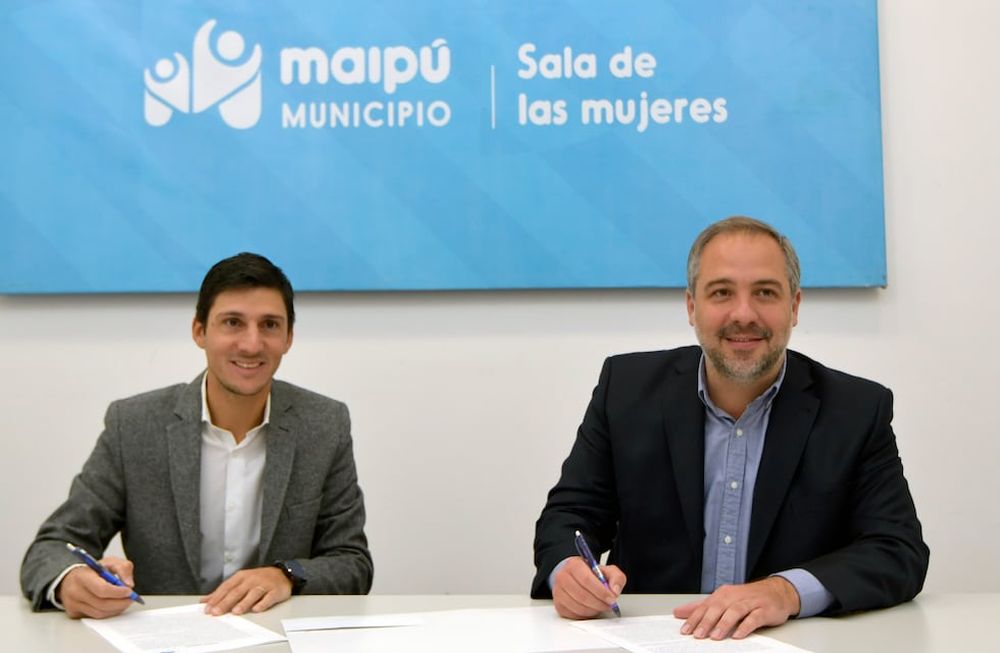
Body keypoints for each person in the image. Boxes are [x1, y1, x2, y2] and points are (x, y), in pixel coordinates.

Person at [531, 216, 929, 640]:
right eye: (722, 293)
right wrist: (567, 572)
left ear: (794, 307)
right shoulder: (625, 390)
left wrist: (786, 591)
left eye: (765, 293)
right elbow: (569, 518)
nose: (744, 314)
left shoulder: (856, 410)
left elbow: (897, 550)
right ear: (691, 307)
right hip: (656, 640)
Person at [21, 253, 373, 619]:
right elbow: (51, 548)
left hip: (276, 638)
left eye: (269, 325)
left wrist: (286, 575)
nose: (252, 344)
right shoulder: (135, 426)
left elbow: (352, 563)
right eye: (233, 322)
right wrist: (72, 579)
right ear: (200, 331)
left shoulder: (324, 424)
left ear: (288, 338)